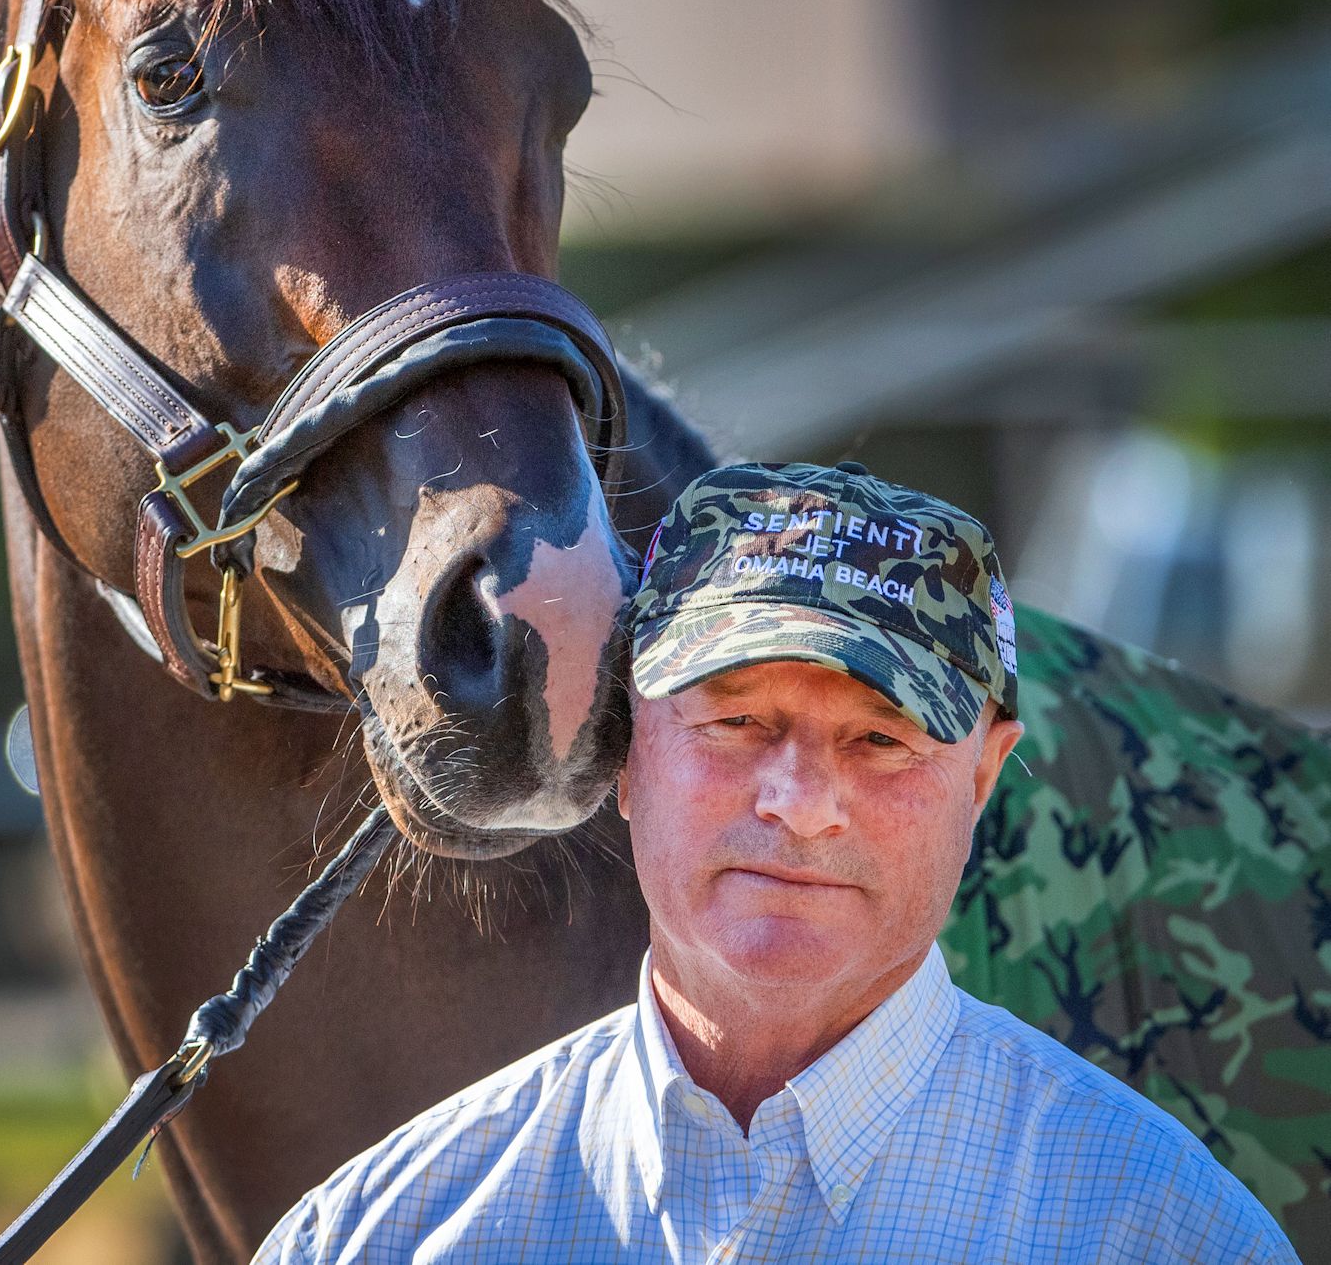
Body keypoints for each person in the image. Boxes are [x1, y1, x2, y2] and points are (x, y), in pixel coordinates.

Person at [254, 461, 1299, 1263]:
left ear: (983, 779)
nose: (797, 802)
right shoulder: (378, 1236)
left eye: (881, 739)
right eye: (737, 718)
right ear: (625, 749)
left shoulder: (1162, 1233)